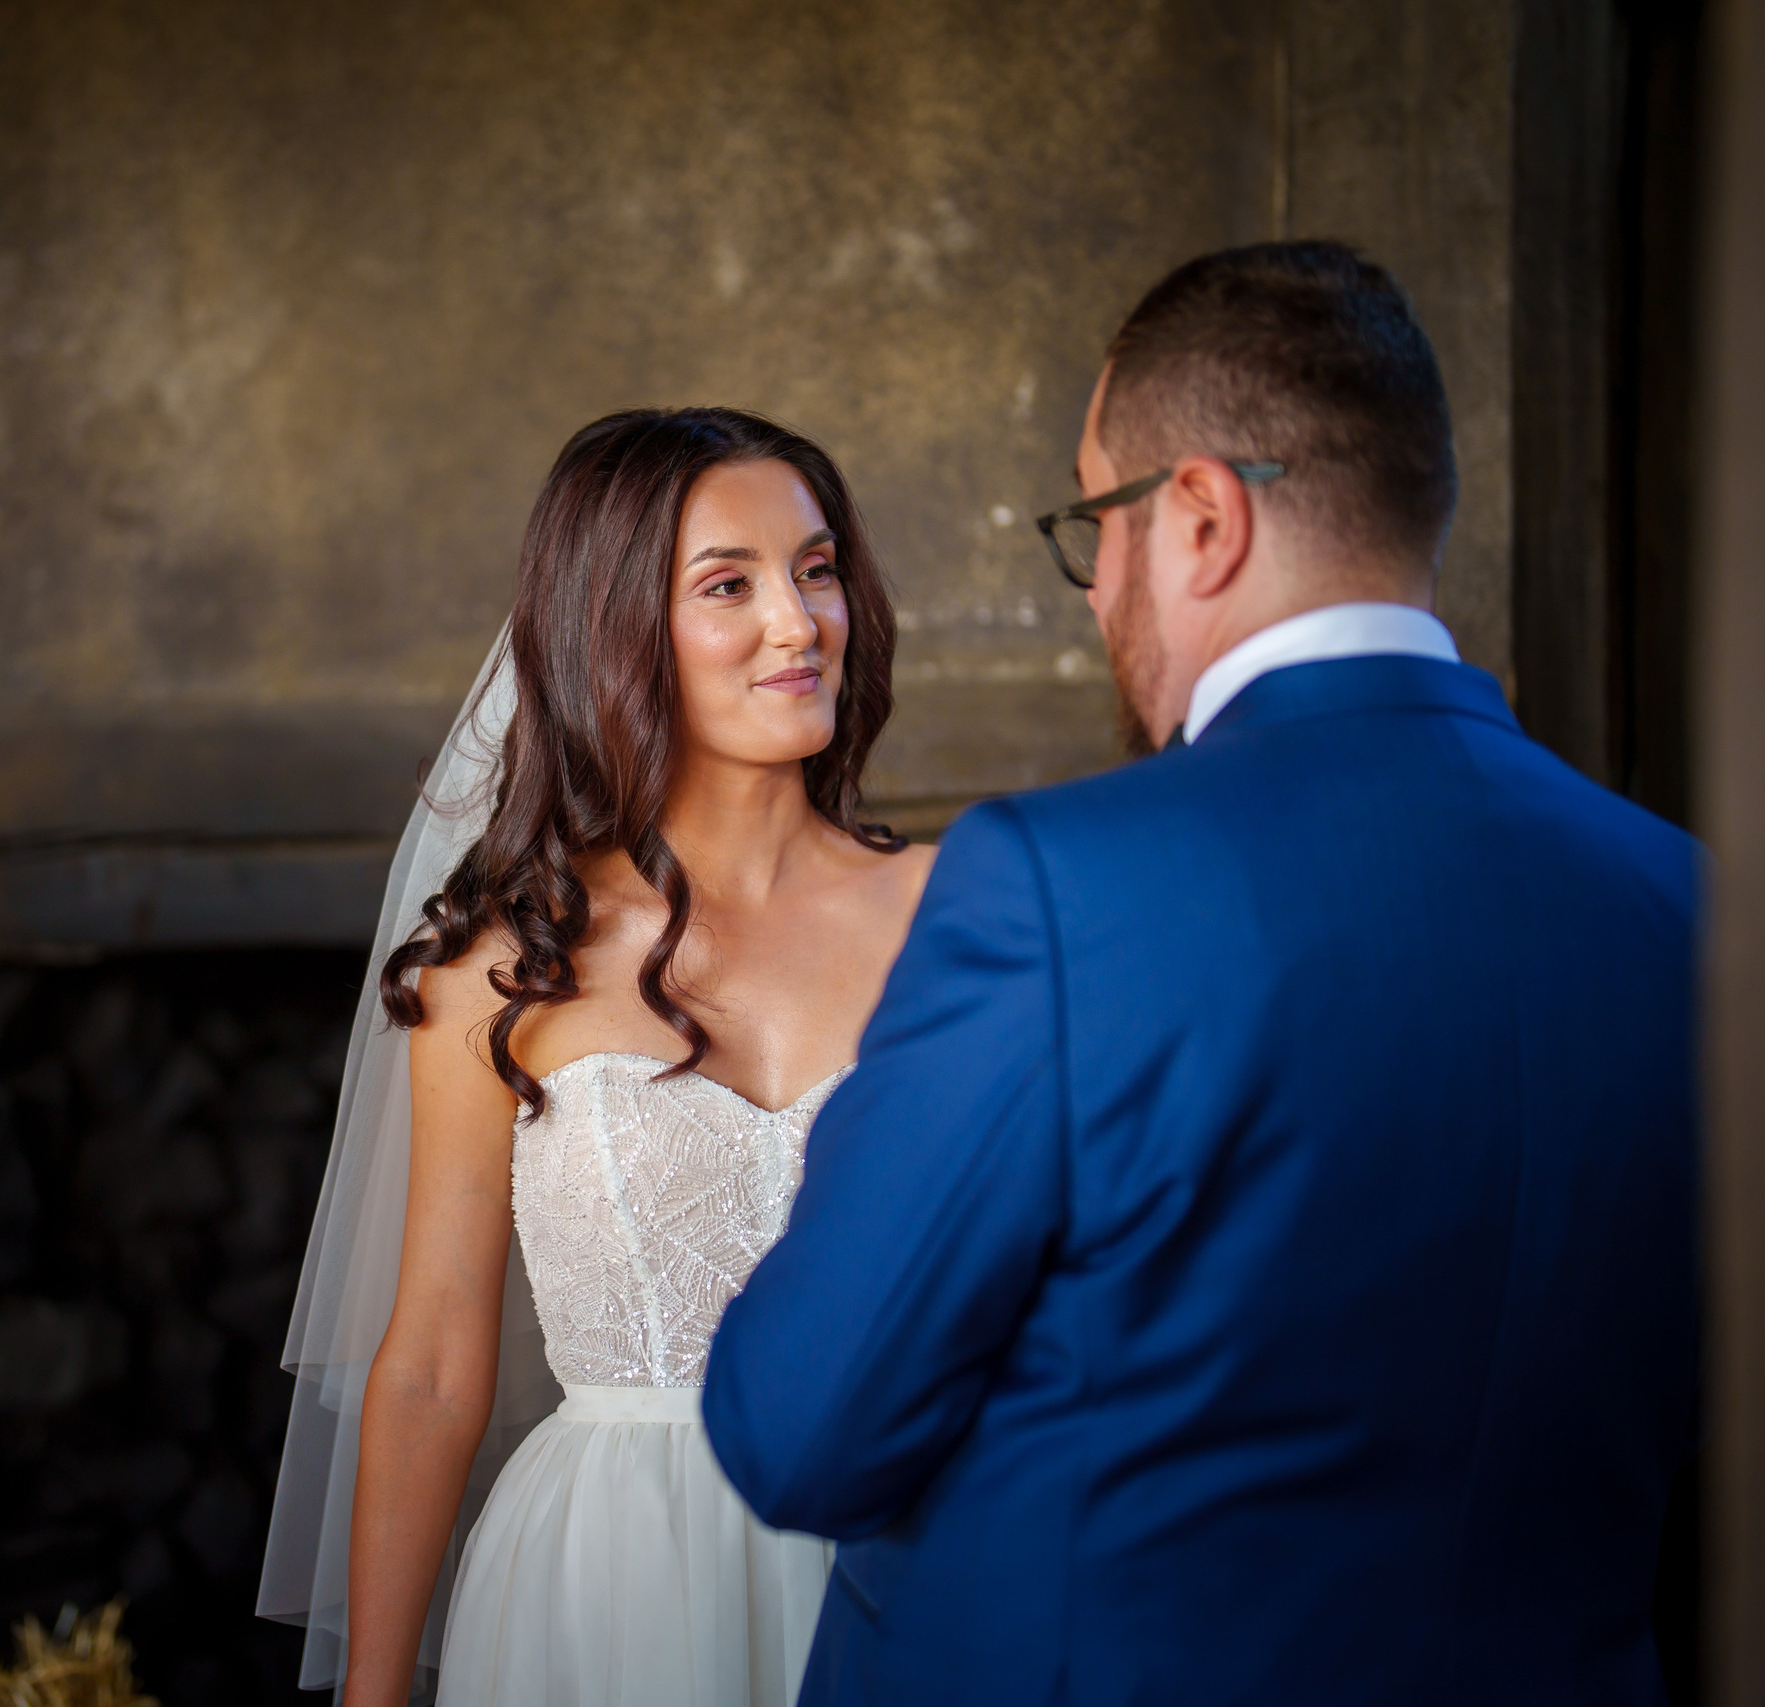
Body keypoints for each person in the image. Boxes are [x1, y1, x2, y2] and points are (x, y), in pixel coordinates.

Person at [703, 241, 1701, 1705]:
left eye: (1096, 527)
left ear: (1201, 520)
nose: (1097, 592)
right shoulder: (1687, 900)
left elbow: (800, 1422)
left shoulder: (1059, 884)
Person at [257, 406, 938, 1705]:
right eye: (729, 585)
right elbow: (435, 1360)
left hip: (908, 1552)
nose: (800, 623)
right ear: (615, 627)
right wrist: (375, 1694)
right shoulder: (496, 969)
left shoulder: (965, 920)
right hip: (614, 1579)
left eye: (816, 567)